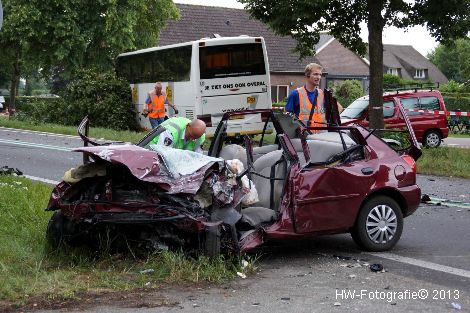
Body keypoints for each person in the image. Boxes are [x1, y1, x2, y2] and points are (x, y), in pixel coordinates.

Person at [285, 63, 343, 129]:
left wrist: (327, 118)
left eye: (320, 75)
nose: (318, 77)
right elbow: (286, 118)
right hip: (304, 136)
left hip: (321, 136)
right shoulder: (296, 94)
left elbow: (339, 108)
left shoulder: (323, 94)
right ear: (307, 75)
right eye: (315, 74)